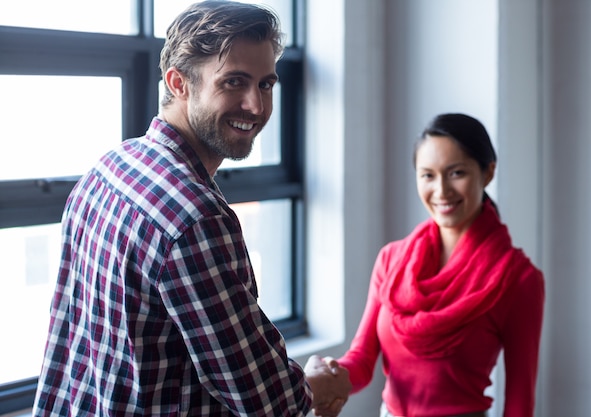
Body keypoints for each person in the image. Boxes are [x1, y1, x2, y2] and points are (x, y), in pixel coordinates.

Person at [32, 1, 351, 416]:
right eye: (234, 82)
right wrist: (319, 385)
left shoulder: (109, 167)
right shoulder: (194, 218)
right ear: (178, 83)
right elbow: (268, 404)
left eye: (266, 84)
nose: (256, 106)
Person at [319, 113, 545, 417]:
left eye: (456, 173)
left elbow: (520, 401)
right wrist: (327, 377)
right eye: (427, 175)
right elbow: (361, 360)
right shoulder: (392, 260)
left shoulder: (519, 279)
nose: (441, 191)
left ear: (488, 173)